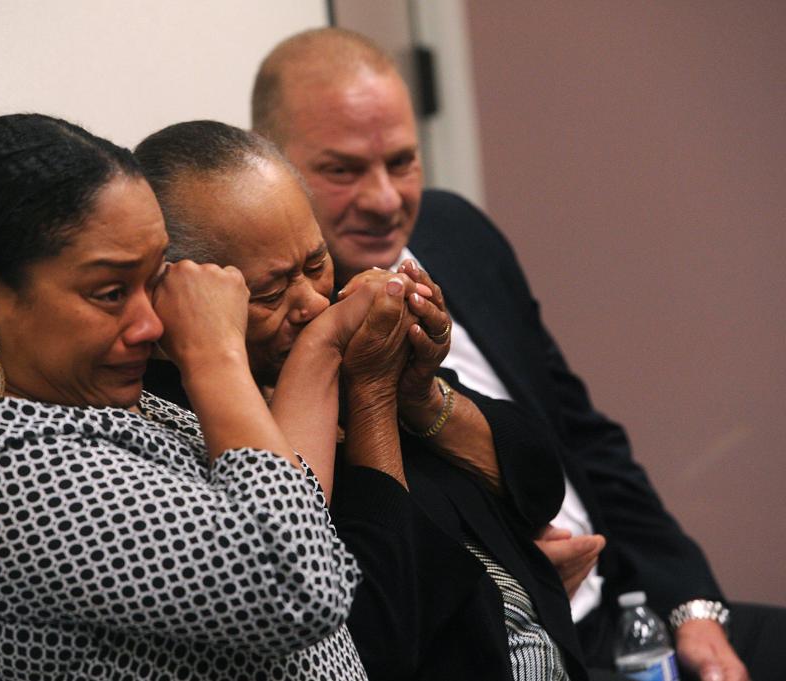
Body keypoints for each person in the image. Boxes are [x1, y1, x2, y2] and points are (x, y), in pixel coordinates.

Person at [251, 27, 786, 681]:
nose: (386, 199)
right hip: (517, 645)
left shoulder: (456, 233)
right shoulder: (284, 336)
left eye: (401, 161)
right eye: (342, 170)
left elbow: (586, 440)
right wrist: (519, 575)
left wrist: (692, 605)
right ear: (273, 170)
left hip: (627, 610)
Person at [0, 113, 370, 681]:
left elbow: (287, 506)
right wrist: (214, 355)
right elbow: (300, 586)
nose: (151, 324)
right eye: (109, 292)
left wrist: (327, 342)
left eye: (153, 282)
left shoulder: (91, 407)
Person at [135, 120, 594, 681]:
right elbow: (368, 635)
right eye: (270, 292)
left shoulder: (344, 325)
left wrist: (420, 394)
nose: (308, 303)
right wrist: (368, 393)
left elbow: (540, 485)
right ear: (185, 296)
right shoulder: (183, 424)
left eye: (315, 263)